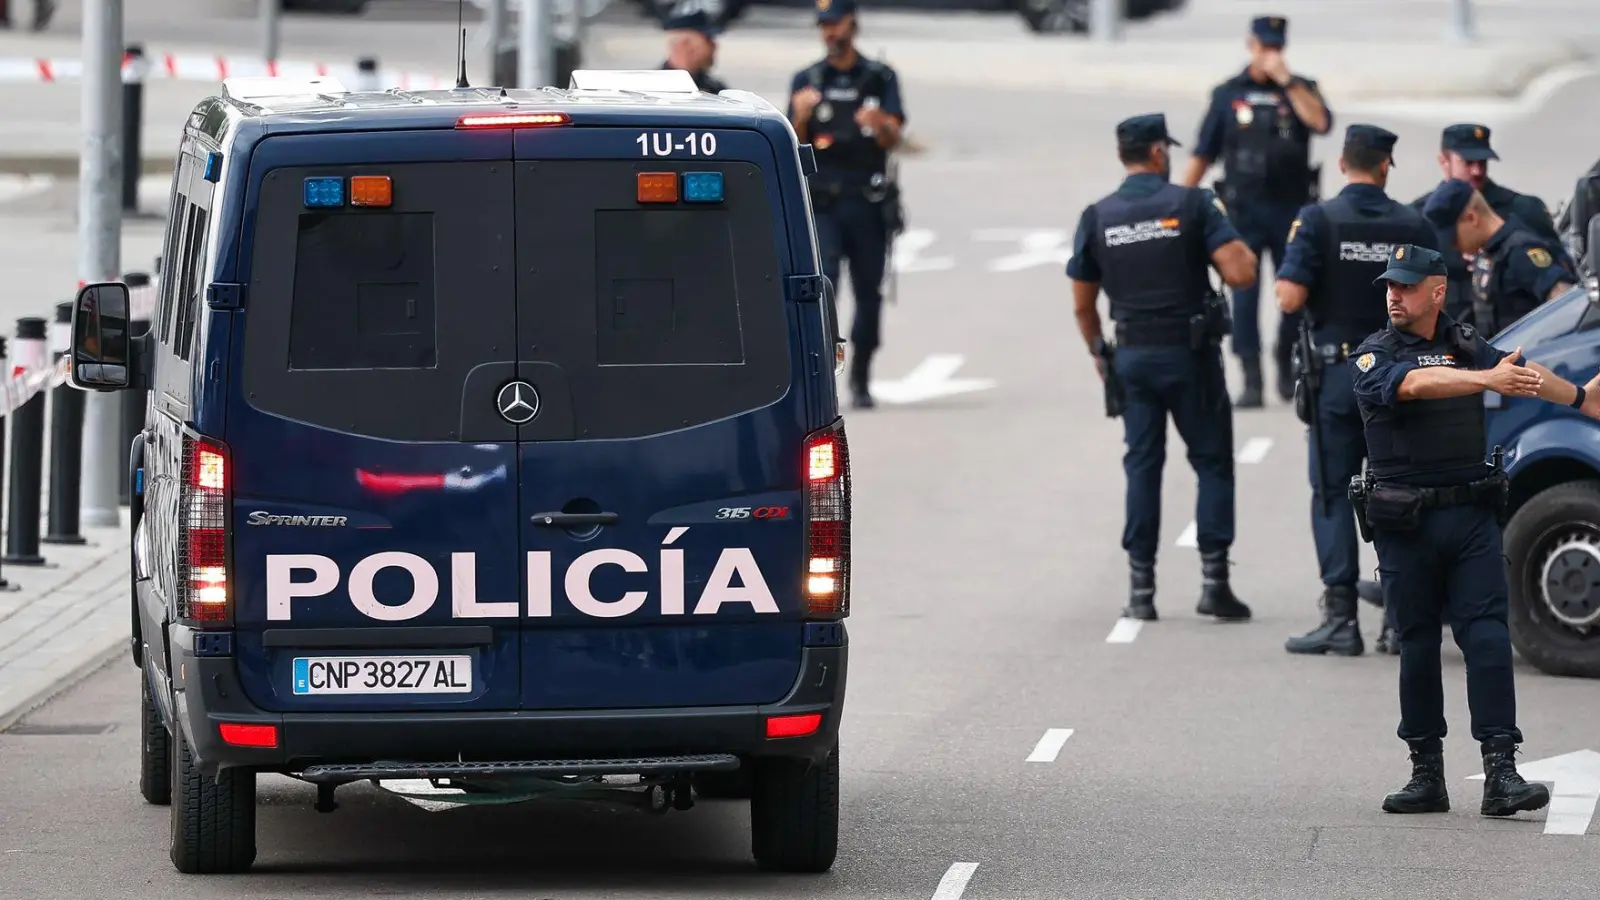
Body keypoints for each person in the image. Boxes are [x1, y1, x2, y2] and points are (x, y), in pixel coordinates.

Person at [1350, 242, 1600, 817]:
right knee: (1416, 645)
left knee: (1487, 638)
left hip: (1469, 518)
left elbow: (1518, 371)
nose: (1394, 294)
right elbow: (1413, 387)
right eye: (1390, 285)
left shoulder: (1465, 345)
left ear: (1437, 291)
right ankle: (1425, 773)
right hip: (1406, 522)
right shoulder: (1374, 354)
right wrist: (1483, 378)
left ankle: (1501, 772)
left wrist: (1581, 398)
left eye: (1406, 285)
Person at [1069, 113, 1259, 623]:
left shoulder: (1097, 215)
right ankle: (1214, 582)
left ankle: (1141, 589)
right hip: (1190, 356)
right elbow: (1241, 273)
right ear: (1158, 152)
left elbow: (1083, 305)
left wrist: (1099, 351)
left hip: (1131, 357)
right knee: (1212, 462)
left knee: (1142, 465)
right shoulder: (1192, 204)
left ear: (1121, 156)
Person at [1274, 125, 1439, 658]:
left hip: (1340, 377)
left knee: (1332, 492)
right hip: (1400, 376)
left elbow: (1289, 297)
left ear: (1343, 163)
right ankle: (1399, 615)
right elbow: (1436, 299)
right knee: (1400, 490)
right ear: (1387, 165)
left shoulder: (1318, 220)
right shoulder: (1414, 223)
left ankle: (1341, 617)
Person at [1182, 14, 1333, 409]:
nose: (1270, 54)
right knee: (1243, 297)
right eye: (1264, 46)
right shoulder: (1228, 93)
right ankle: (1251, 377)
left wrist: (1287, 81)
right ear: (1251, 45)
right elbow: (1203, 150)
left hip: (1291, 210)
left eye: (1276, 47)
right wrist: (1179, 201)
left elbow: (1320, 122)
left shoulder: (1302, 90)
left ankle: (1285, 359)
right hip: (1243, 211)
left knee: (1294, 292)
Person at [787, 0, 906, 409]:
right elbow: (794, 144)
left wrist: (880, 125)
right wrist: (800, 116)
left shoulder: (879, 77)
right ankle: (823, 373)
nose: (830, 33)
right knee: (825, 289)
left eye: (835, 24)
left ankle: (861, 375)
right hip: (824, 205)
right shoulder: (807, 79)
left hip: (867, 202)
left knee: (869, 293)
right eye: (823, 26)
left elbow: (895, 136)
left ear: (852, 24)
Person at [1411, 124, 1572, 325]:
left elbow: (1562, 287)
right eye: (1468, 162)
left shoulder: (1523, 211)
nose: (1477, 171)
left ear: (1473, 218)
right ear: (1444, 161)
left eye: (1482, 162)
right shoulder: (1420, 217)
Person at [1424, 179, 1579, 339]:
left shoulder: (1520, 250)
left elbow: (1568, 303)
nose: (1453, 246)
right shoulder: (1487, 254)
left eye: (1454, 238)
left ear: (1472, 218)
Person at [660, 1, 729, 93]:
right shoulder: (653, 89)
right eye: (707, 40)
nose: (714, 46)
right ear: (685, 45)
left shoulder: (716, 90)